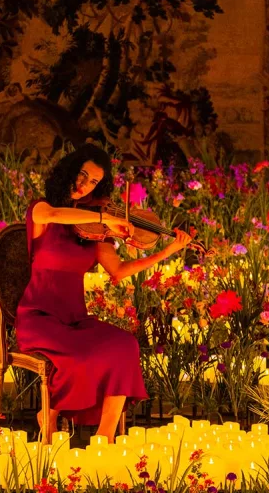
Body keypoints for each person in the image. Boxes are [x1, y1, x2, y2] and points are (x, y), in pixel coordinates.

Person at [16, 143, 194, 442]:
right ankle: (50, 413)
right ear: (68, 172)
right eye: (82, 175)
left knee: (125, 345)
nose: (85, 185)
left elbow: (119, 270)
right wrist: (105, 218)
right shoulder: (42, 210)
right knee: (81, 356)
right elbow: (56, 214)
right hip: (39, 317)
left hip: (75, 319)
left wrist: (169, 250)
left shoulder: (92, 231)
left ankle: (105, 437)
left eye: (94, 182)